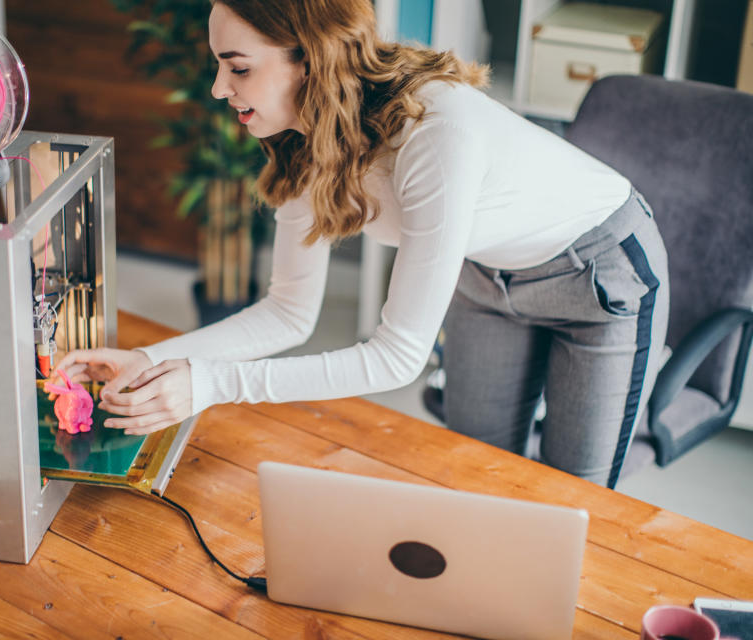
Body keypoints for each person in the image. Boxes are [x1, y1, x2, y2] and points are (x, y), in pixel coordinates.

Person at [52, 0, 669, 488]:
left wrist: (212, 384)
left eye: (237, 67)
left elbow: (397, 359)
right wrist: (158, 361)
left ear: (311, 59)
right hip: (485, 273)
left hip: (597, 270)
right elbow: (288, 312)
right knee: (480, 475)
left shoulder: (433, 134)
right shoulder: (302, 137)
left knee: (571, 499)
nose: (219, 89)